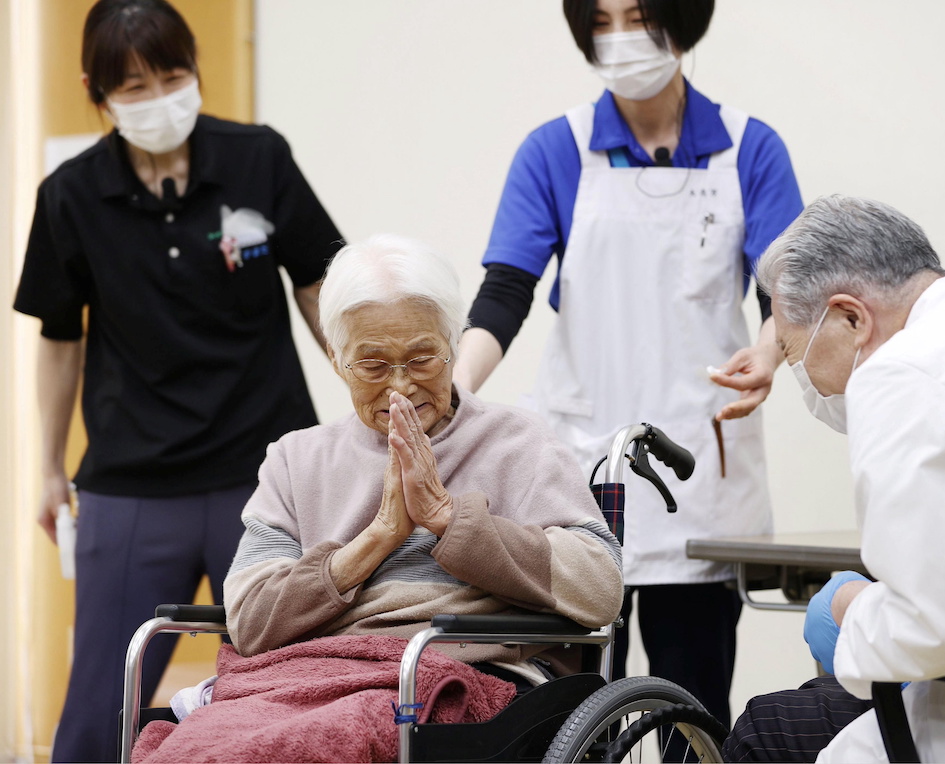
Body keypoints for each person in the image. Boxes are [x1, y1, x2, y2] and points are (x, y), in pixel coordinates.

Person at [127, 234, 623, 761]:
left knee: (315, 742)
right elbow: (249, 619)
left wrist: (449, 520)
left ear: (454, 346)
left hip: (452, 674)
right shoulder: (297, 460)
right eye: (373, 366)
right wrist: (377, 539)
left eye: (423, 358)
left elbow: (598, 585)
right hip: (299, 678)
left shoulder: (519, 444)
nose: (402, 386)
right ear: (338, 361)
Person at [454, 0, 802, 726]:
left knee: (692, 697)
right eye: (603, 18)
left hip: (697, 466)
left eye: (640, 14)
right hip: (581, 463)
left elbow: (788, 290)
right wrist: (451, 392)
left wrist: (770, 353)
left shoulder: (748, 147)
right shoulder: (556, 149)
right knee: (567, 702)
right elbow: (506, 292)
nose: (621, 38)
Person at [12, 1, 343, 760]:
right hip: (131, 483)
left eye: (172, 74)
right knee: (102, 712)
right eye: (133, 86)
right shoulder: (70, 195)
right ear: (96, 91)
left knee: (287, 695)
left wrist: (366, 390)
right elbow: (60, 339)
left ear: (195, 70)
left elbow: (320, 284)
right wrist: (45, 471)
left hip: (266, 477)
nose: (159, 97)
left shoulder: (258, 157)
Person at [723, 195, 945, 762]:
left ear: (851, 317)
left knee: (767, 728)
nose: (802, 375)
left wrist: (850, 607)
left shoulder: (901, 373)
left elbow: (938, 634)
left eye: (791, 351)